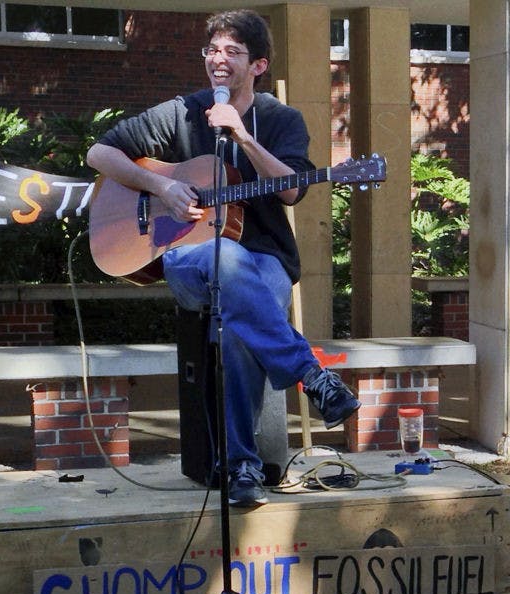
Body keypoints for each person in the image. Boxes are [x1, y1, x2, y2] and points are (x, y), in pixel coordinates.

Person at [86, 9, 361, 507]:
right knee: (224, 257)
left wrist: (243, 136)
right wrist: (162, 186)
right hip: (187, 256)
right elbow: (99, 155)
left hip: (267, 260)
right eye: (213, 50)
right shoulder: (181, 112)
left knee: (238, 323)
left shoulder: (281, 120)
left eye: (232, 52)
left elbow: (293, 192)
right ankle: (311, 375)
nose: (219, 60)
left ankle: (243, 469)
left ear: (258, 65)